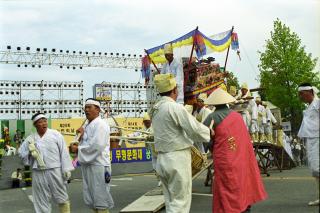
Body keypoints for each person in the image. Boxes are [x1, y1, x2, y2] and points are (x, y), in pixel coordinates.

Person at [149, 73, 211, 213]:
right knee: (180, 203)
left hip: (162, 159)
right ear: (174, 90)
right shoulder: (174, 107)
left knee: (171, 201)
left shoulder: (155, 109)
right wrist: (209, 133)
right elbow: (194, 129)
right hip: (176, 158)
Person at [203, 88, 267, 213]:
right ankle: (244, 206)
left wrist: (211, 147)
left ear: (214, 103)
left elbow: (205, 138)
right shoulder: (237, 116)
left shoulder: (211, 117)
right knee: (242, 182)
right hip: (241, 156)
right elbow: (244, 138)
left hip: (224, 158)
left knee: (227, 186)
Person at [18, 112, 74, 213]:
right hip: (38, 172)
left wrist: (66, 169)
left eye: (45, 121)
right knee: (41, 199)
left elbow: (64, 152)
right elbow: (21, 154)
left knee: (61, 196)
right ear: (35, 125)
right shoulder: (30, 139)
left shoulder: (56, 134)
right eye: (40, 122)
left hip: (55, 170)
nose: (44, 123)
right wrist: (30, 153)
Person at [77, 99, 114, 213]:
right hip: (89, 165)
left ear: (97, 109)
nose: (86, 110)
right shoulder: (88, 125)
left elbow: (97, 146)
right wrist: (81, 136)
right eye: (85, 107)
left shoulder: (101, 124)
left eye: (89, 107)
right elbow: (88, 143)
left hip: (99, 166)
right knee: (92, 198)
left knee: (100, 198)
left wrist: (77, 149)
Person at [297, 83, 319, 206]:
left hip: (318, 138)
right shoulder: (309, 106)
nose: (300, 96)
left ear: (310, 91)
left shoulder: (318, 103)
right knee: (315, 170)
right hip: (311, 139)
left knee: (318, 168)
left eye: (302, 94)